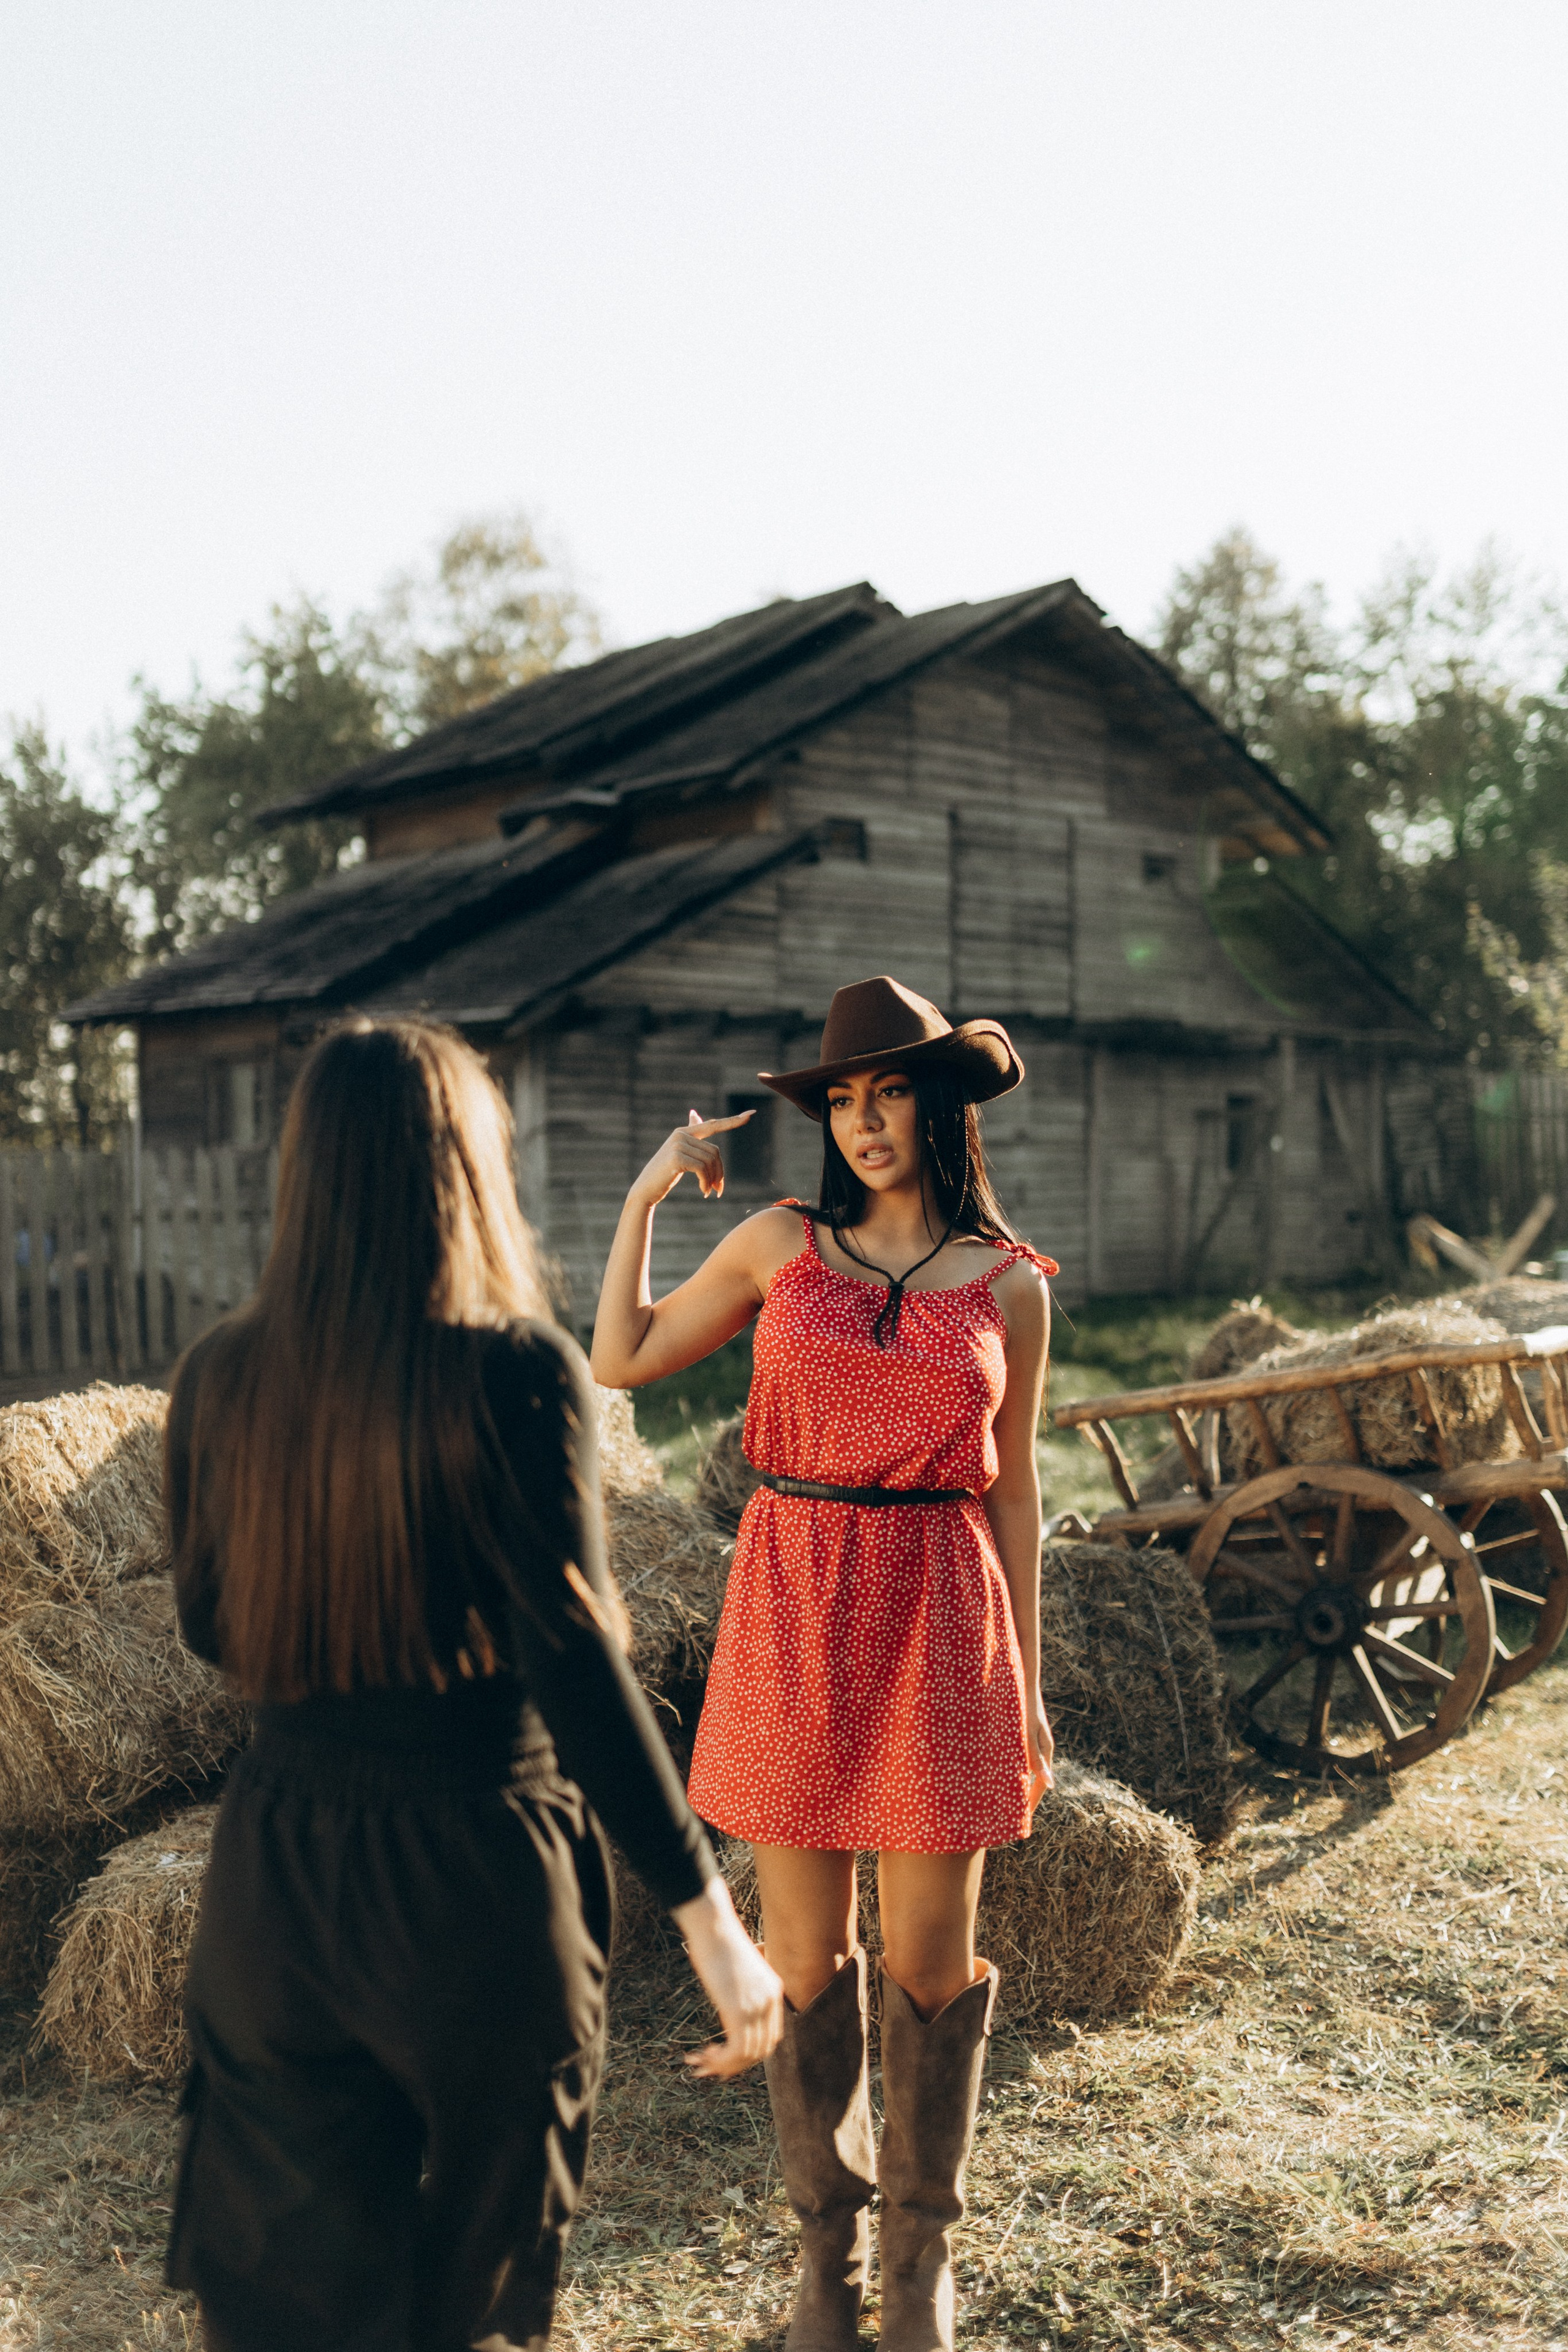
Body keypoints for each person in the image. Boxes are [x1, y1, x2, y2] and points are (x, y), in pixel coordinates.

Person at [162, 1017, 782, 2352]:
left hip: (279, 1884)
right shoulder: (513, 1371)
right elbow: (573, 1661)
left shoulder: (219, 1377)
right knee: (474, 2304)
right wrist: (710, 1918)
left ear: (304, 1171)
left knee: (282, 2316)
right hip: (477, 1883)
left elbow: (209, 1623)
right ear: (465, 1167)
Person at [592, 973, 1057, 2352]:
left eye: (890, 1091)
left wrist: (1028, 1691)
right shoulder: (776, 1245)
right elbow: (620, 1357)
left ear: (939, 1104)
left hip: (942, 1617)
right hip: (792, 1609)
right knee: (804, 1960)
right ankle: (826, 2258)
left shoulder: (1010, 1286)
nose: (863, 1121)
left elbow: (1015, 1494)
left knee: (929, 1963)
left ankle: (918, 2264)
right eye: (843, 1099)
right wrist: (646, 1195)